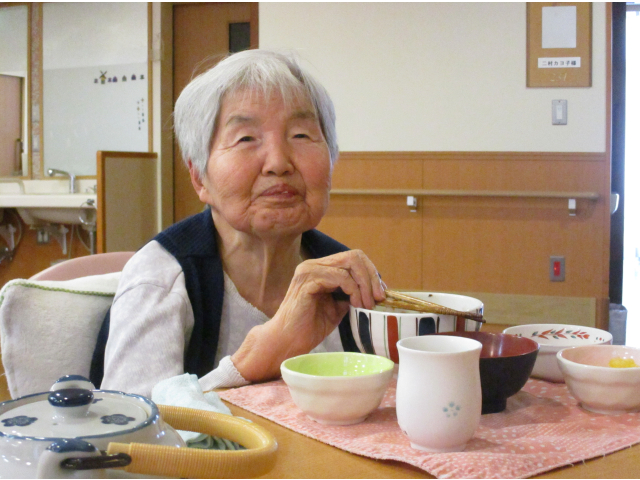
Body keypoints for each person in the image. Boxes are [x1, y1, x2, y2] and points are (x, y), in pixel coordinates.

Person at [94, 49, 386, 397]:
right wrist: (248, 365)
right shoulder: (162, 281)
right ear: (199, 177)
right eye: (246, 139)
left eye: (301, 135)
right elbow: (132, 423)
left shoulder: (346, 278)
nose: (278, 163)